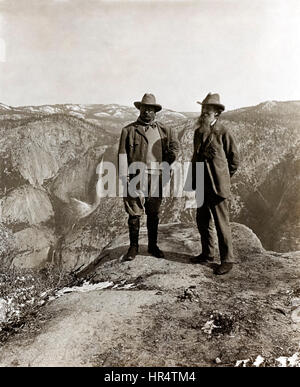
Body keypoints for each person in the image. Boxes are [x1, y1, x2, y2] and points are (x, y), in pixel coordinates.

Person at [118, 93, 179, 261]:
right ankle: (133, 247)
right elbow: (122, 155)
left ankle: (153, 246)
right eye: (144, 109)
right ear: (140, 109)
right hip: (135, 176)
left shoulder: (165, 130)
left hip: (156, 177)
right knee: (134, 213)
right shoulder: (128, 130)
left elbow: (174, 148)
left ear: (155, 112)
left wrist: (168, 161)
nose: (147, 112)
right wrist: (124, 178)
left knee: (153, 213)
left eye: (150, 109)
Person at [190, 93, 239, 275]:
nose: (203, 113)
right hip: (202, 185)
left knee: (221, 224)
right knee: (202, 221)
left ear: (216, 114)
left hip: (218, 187)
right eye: (203, 110)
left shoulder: (223, 132)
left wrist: (223, 178)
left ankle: (227, 260)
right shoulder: (198, 132)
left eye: (207, 111)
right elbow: (195, 158)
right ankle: (207, 253)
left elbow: (234, 160)